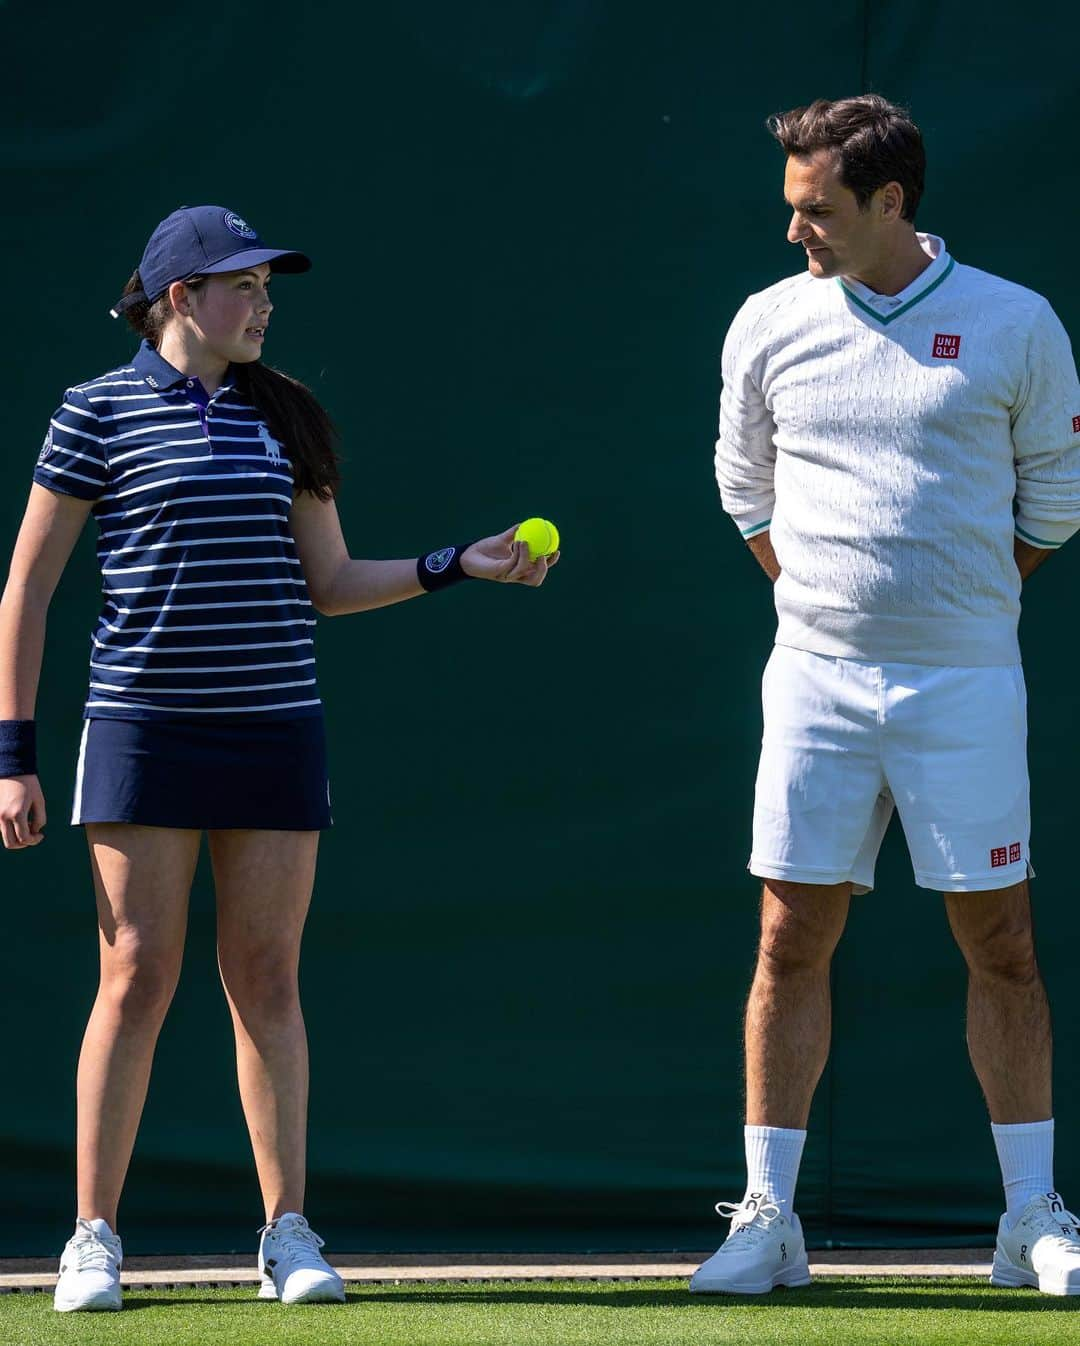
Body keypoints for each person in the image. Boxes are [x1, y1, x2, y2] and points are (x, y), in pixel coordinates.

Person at [0, 205, 558, 1313]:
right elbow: (27, 589)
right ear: (177, 299)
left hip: (273, 728)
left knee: (266, 978)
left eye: (267, 289)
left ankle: (286, 1231)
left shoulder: (290, 417)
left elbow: (332, 583)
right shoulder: (91, 413)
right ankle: (92, 1235)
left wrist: (460, 565)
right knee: (135, 975)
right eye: (241, 287)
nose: (263, 305)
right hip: (142, 731)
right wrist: (12, 754)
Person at [691, 96, 1080, 1297]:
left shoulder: (1015, 322)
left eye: (816, 210)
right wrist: (825, 603)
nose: (795, 229)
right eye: (792, 207)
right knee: (788, 933)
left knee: (1000, 941)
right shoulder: (768, 322)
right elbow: (742, 485)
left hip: (967, 675)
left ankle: (1030, 1218)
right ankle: (769, 1219)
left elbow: (1054, 500)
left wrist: (954, 602)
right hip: (812, 675)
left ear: (889, 203)